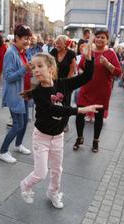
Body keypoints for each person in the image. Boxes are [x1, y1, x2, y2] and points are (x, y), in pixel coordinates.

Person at [19, 48, 102, 208]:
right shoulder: (38, 93)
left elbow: (87, 76)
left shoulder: (64, 84)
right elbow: (53, 109)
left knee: (57, 170)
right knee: (41, 173)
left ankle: (53, 193)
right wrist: (80, 110)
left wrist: (89, 58)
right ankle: (26, 185)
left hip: (58, 137)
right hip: (41, 137)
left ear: (50, 68)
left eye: (39, 66)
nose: (35, 70)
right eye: (33, 67)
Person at [73, 29, 121, 152]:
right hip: (86, 89)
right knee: (79, 114)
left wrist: (107, 64)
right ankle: (79, 137)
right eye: (98, 37)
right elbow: (80, 67)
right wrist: (84, 74)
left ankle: (95, 141)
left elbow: (118, 72)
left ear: (107, 40)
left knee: (98, 117)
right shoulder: (89, 51)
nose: (99, 39)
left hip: (102, 90)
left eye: (102, 37)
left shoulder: (111, 53)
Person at [0, 24, 33, 163]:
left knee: (24, 123)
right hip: (15, 95)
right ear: (17, 38)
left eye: (29, 39)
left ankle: (18, 145)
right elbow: (8, 77)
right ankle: (3, 151)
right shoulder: (10, 53)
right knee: (18, 124)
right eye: (25, 38)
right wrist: (25, 69)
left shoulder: (21, 52)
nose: (27, 41)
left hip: (24, 93)